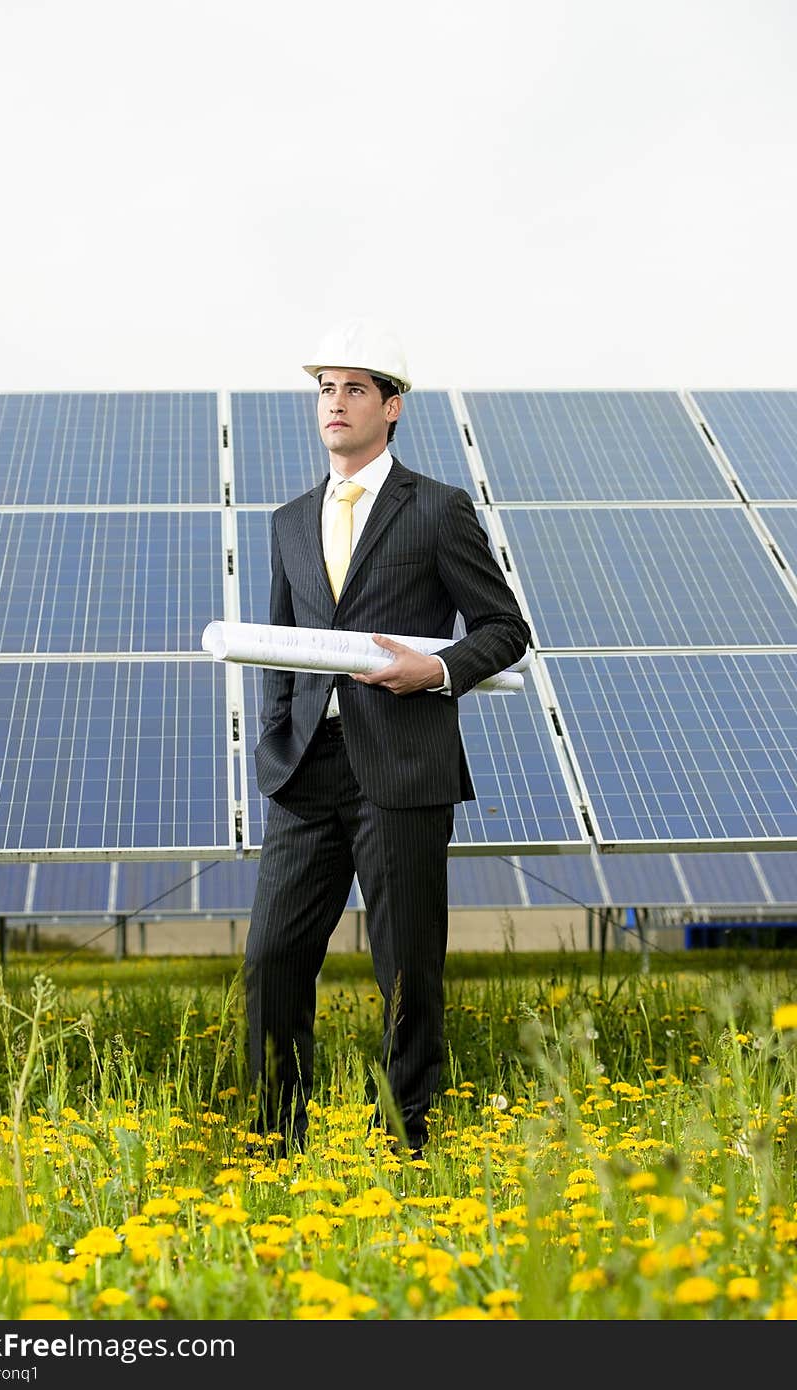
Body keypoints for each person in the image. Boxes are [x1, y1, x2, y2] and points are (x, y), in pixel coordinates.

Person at [244, 316, 532, 1158]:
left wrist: (435, 671)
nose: (335, 402)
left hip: (403, 768)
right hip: (305, 773)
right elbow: (278, 643)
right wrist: (275, 740)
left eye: (354, 389)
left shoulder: (438, 509)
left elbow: (504, 628)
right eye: (325, 389)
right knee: (272, 962)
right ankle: (275, 1139)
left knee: (406, 974)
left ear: (392, 406)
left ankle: (404, 1139)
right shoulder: (290, 519)